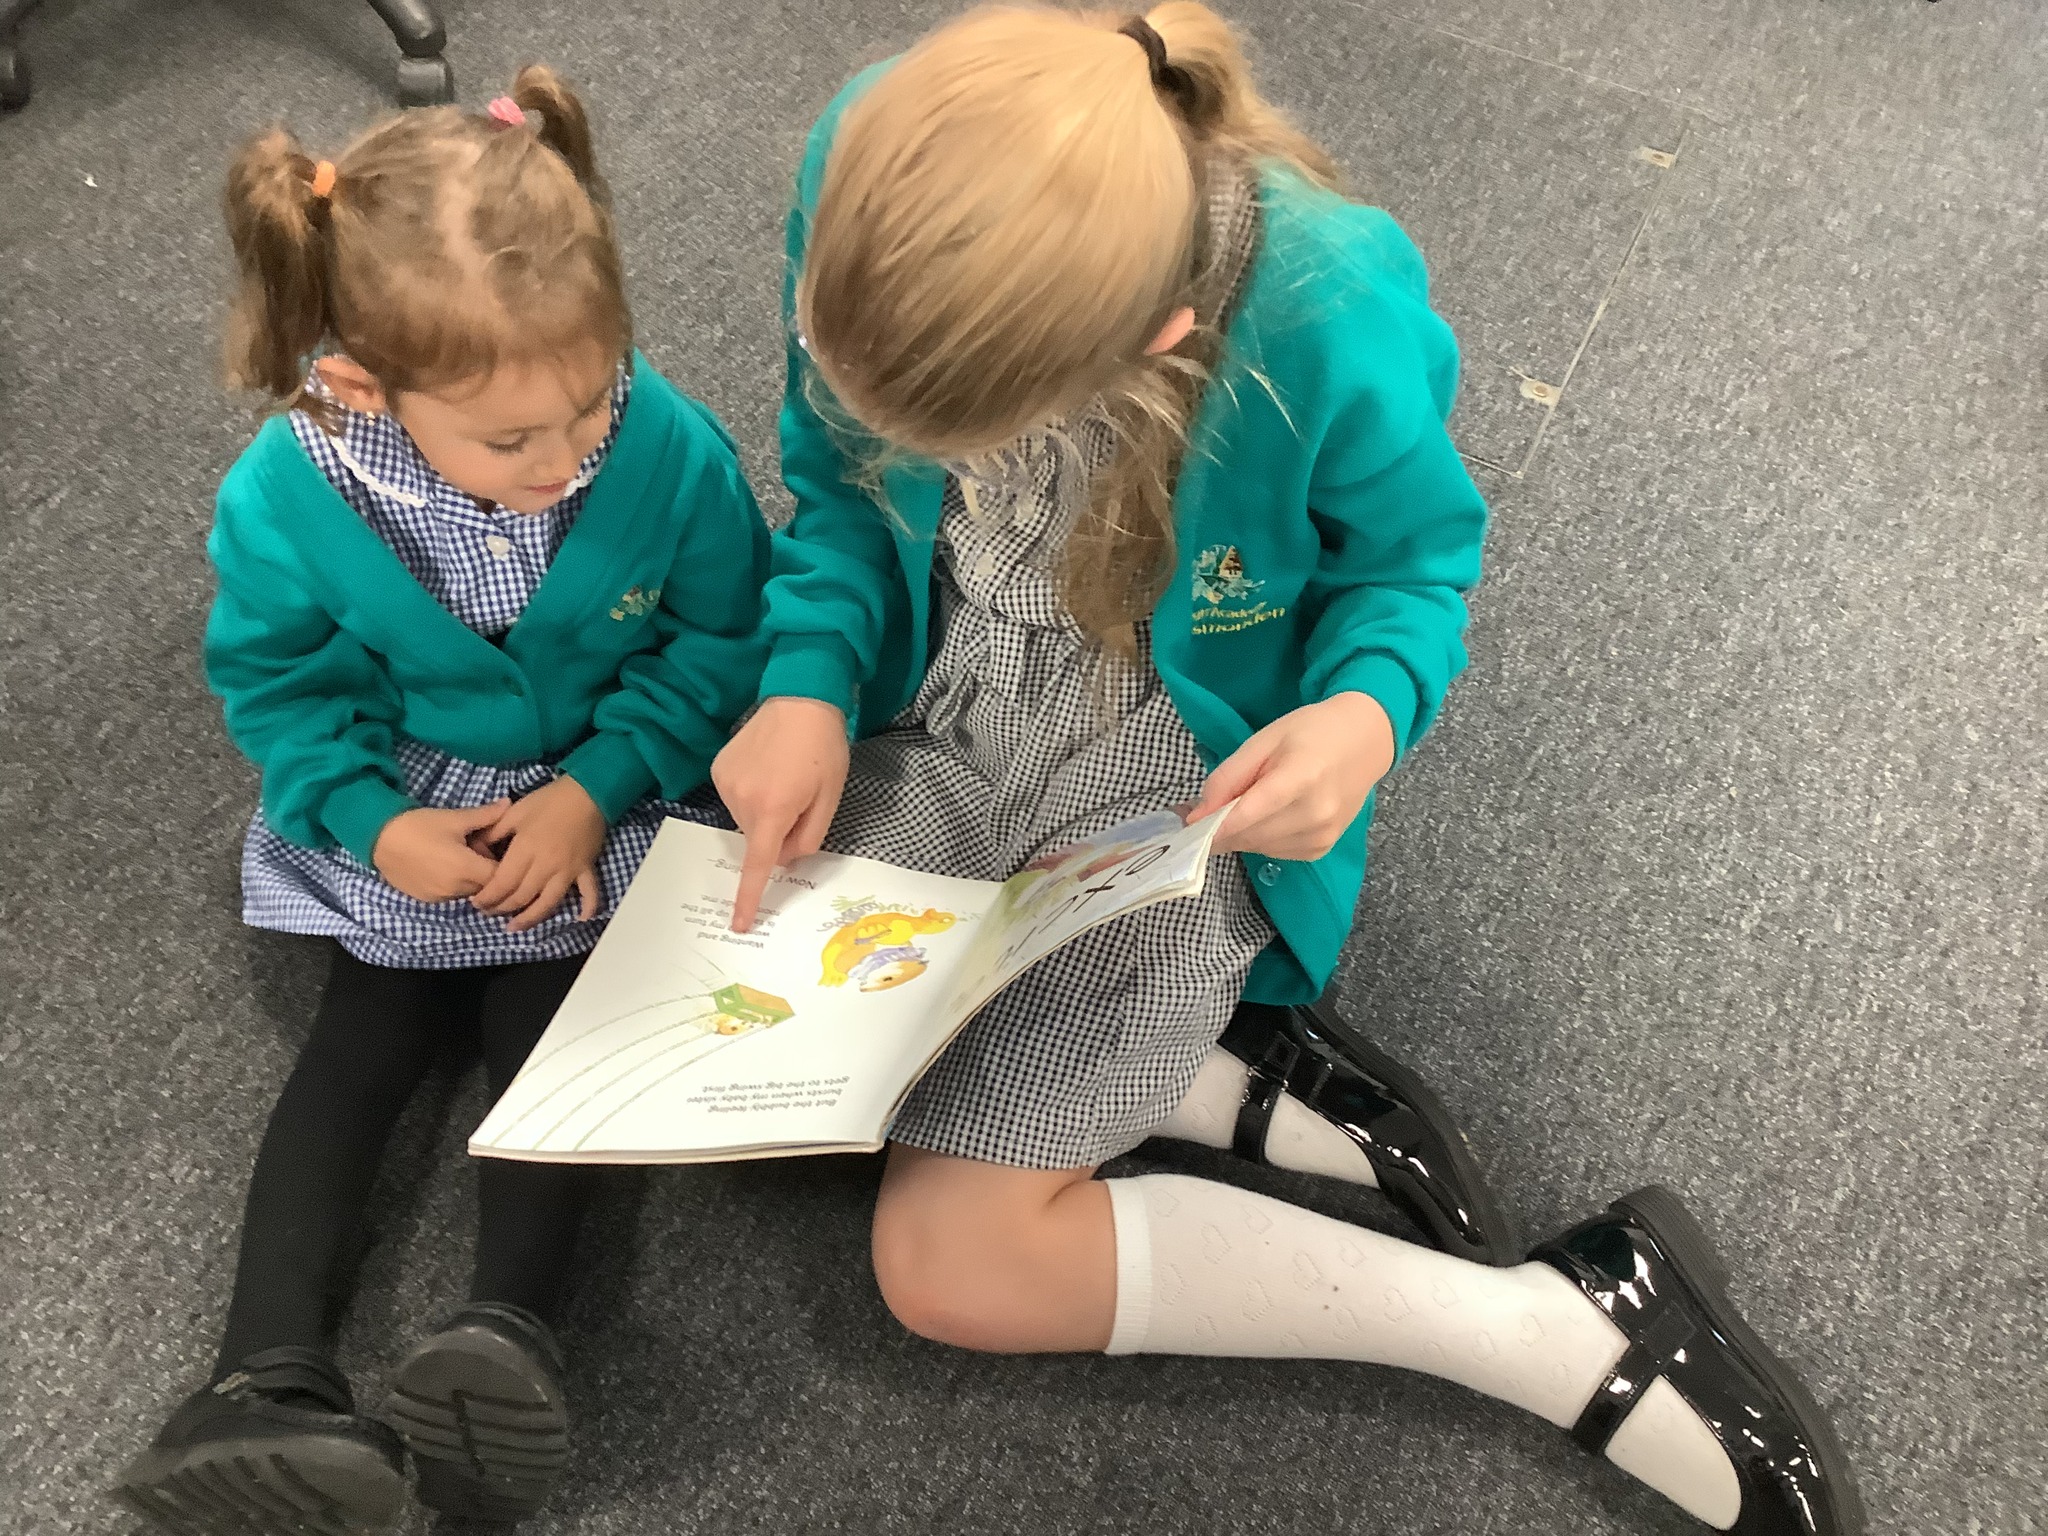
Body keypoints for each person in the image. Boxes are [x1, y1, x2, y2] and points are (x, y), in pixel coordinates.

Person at [711, 8, 1863, 1533]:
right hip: (940, 711)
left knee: (947, 1266)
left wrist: (1366, 719)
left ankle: (1558, 1326)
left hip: (1169, 793)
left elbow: (1416, 570)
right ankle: (1223, 1076)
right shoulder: (875, 152)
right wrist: (802, 688)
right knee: (754, 1083)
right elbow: (841, 489)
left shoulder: (1325, 302)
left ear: (1156, 345)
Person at [115, 68, 767, 1536]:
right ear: (359, 381)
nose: (562, 465)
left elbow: (725, 640)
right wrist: (371, 820)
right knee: (364, 1039)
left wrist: (598, 791)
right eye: (510, 442)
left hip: (603, 793)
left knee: (555, 1029)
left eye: (587, 408)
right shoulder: (289, 497)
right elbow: (282, 690)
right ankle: (259, 1383)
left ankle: (506, 1337)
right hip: (404, 808)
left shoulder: (660, 448)